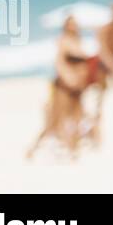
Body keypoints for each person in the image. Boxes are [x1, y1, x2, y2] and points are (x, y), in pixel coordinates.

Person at [26, 16, 92, 159]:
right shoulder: (63, 41)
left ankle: (73, 149)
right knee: (55, 121)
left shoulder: (78, 41)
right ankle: (34, 149)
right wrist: (70, 79)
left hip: (77, 88)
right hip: (64, 87)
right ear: (66, 26)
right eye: (71, 24)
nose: (74, 27)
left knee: (77, 118)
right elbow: (59, 63)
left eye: (75, 24)